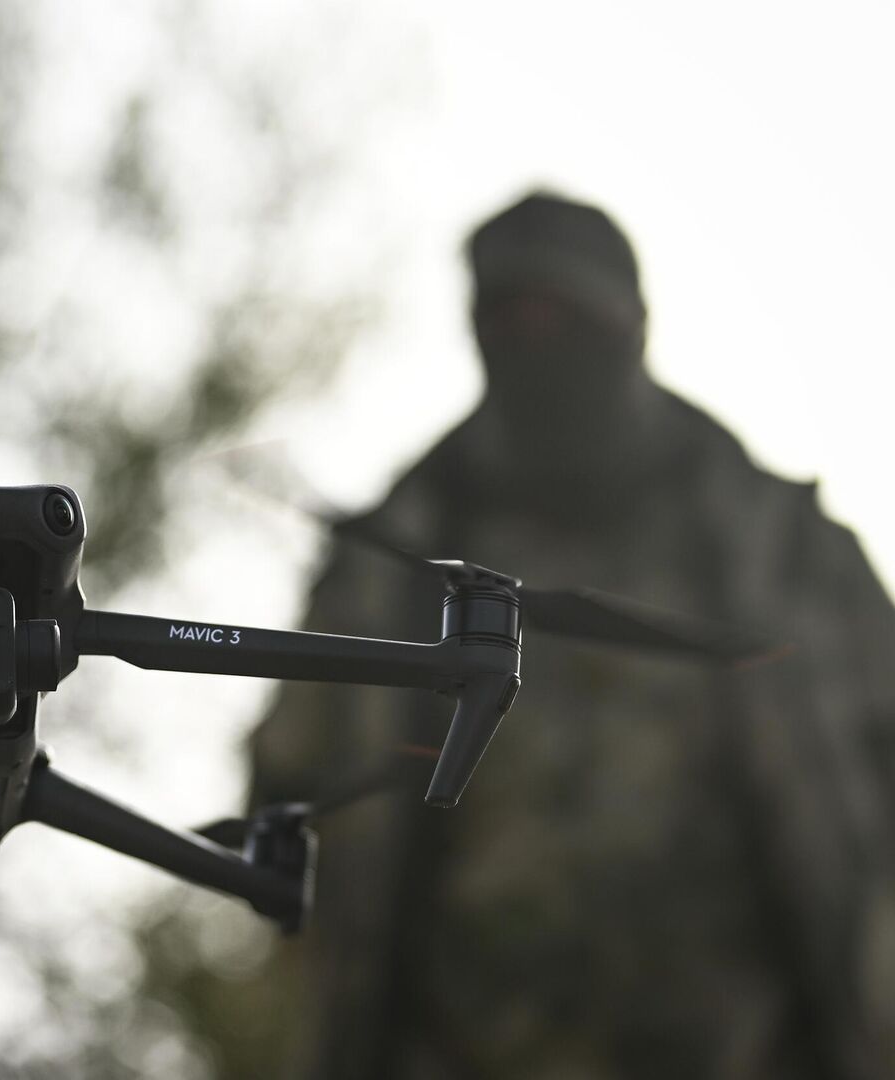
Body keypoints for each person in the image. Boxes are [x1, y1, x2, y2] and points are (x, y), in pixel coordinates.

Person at [247, 191, 895, 1079]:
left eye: (566, 317)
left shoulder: (786, 552)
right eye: (509, 319)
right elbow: (288, 798)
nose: (537, 341)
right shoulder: (385, 573)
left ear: (632, 323)